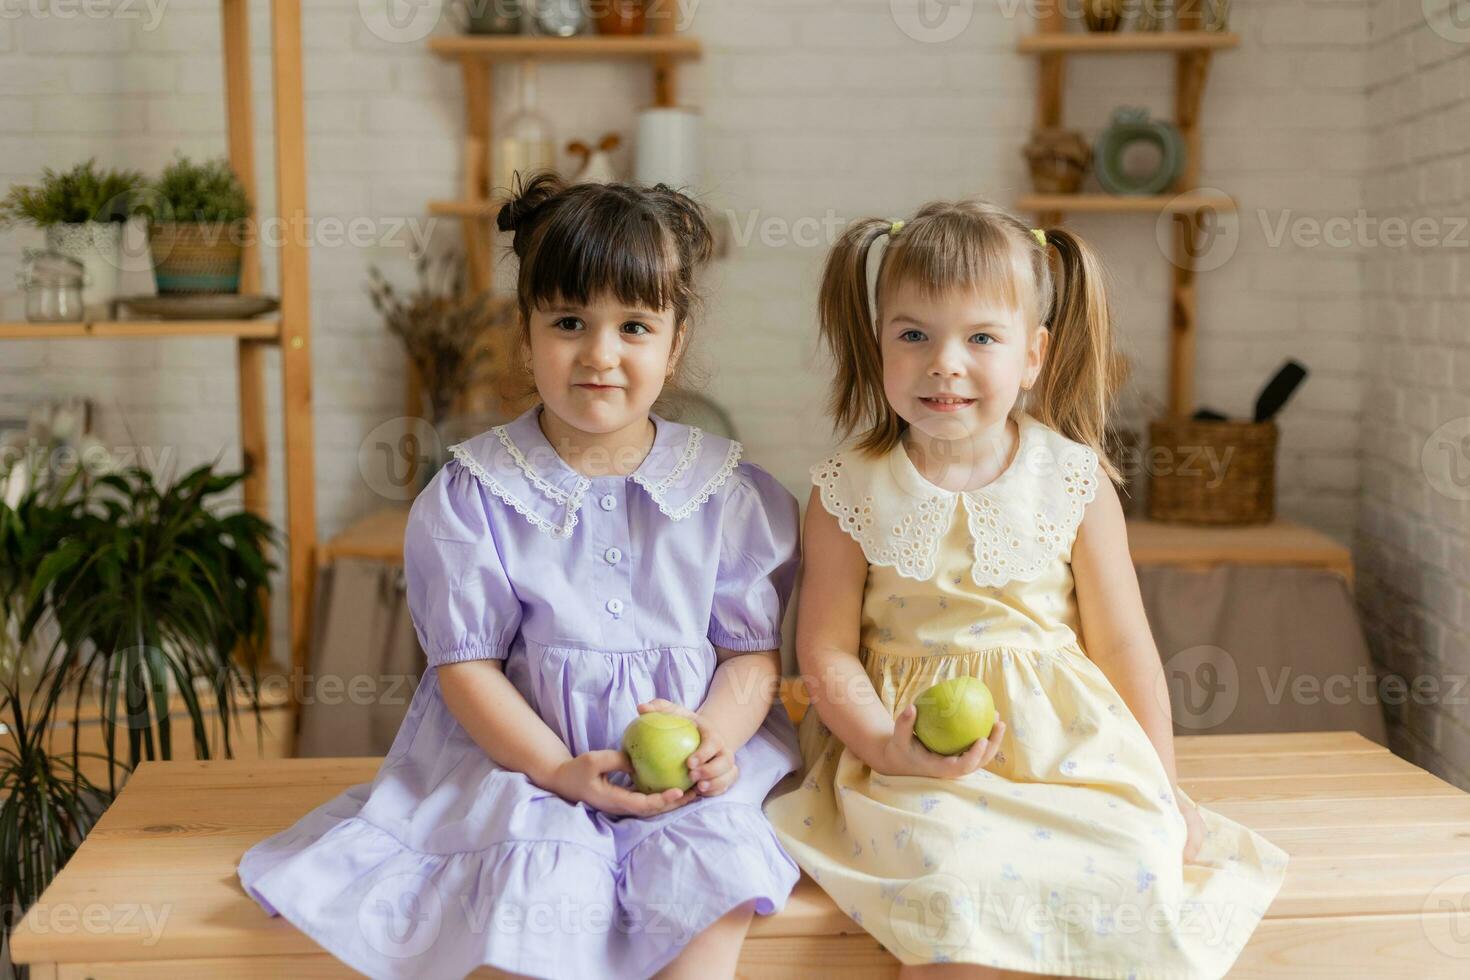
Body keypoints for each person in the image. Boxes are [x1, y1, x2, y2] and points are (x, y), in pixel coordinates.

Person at [239, 173, 804, 980]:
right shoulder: (476, 492)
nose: (600, 355)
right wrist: (556, 769)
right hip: (525, 764)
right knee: (532, 899)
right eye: (569, 322)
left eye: (634, 326)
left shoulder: (723, 491)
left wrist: (717, 736)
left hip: (687, 775)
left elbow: (749, 654)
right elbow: (465, 667)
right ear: (527, 333)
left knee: (712, 890)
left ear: (674, 343)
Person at [763, 201, 1289, 978]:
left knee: (1134, 861)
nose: (946, 362)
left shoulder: (1073, 479)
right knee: (952, 889)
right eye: (914, 335)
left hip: (1067, 749)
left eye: (980, 338)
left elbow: (1123, 646)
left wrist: (1165, 788)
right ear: (879, 347)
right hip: (911, 756)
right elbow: (826, 650)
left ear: (1033, 356)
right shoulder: (848, 488)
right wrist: (885, 747)